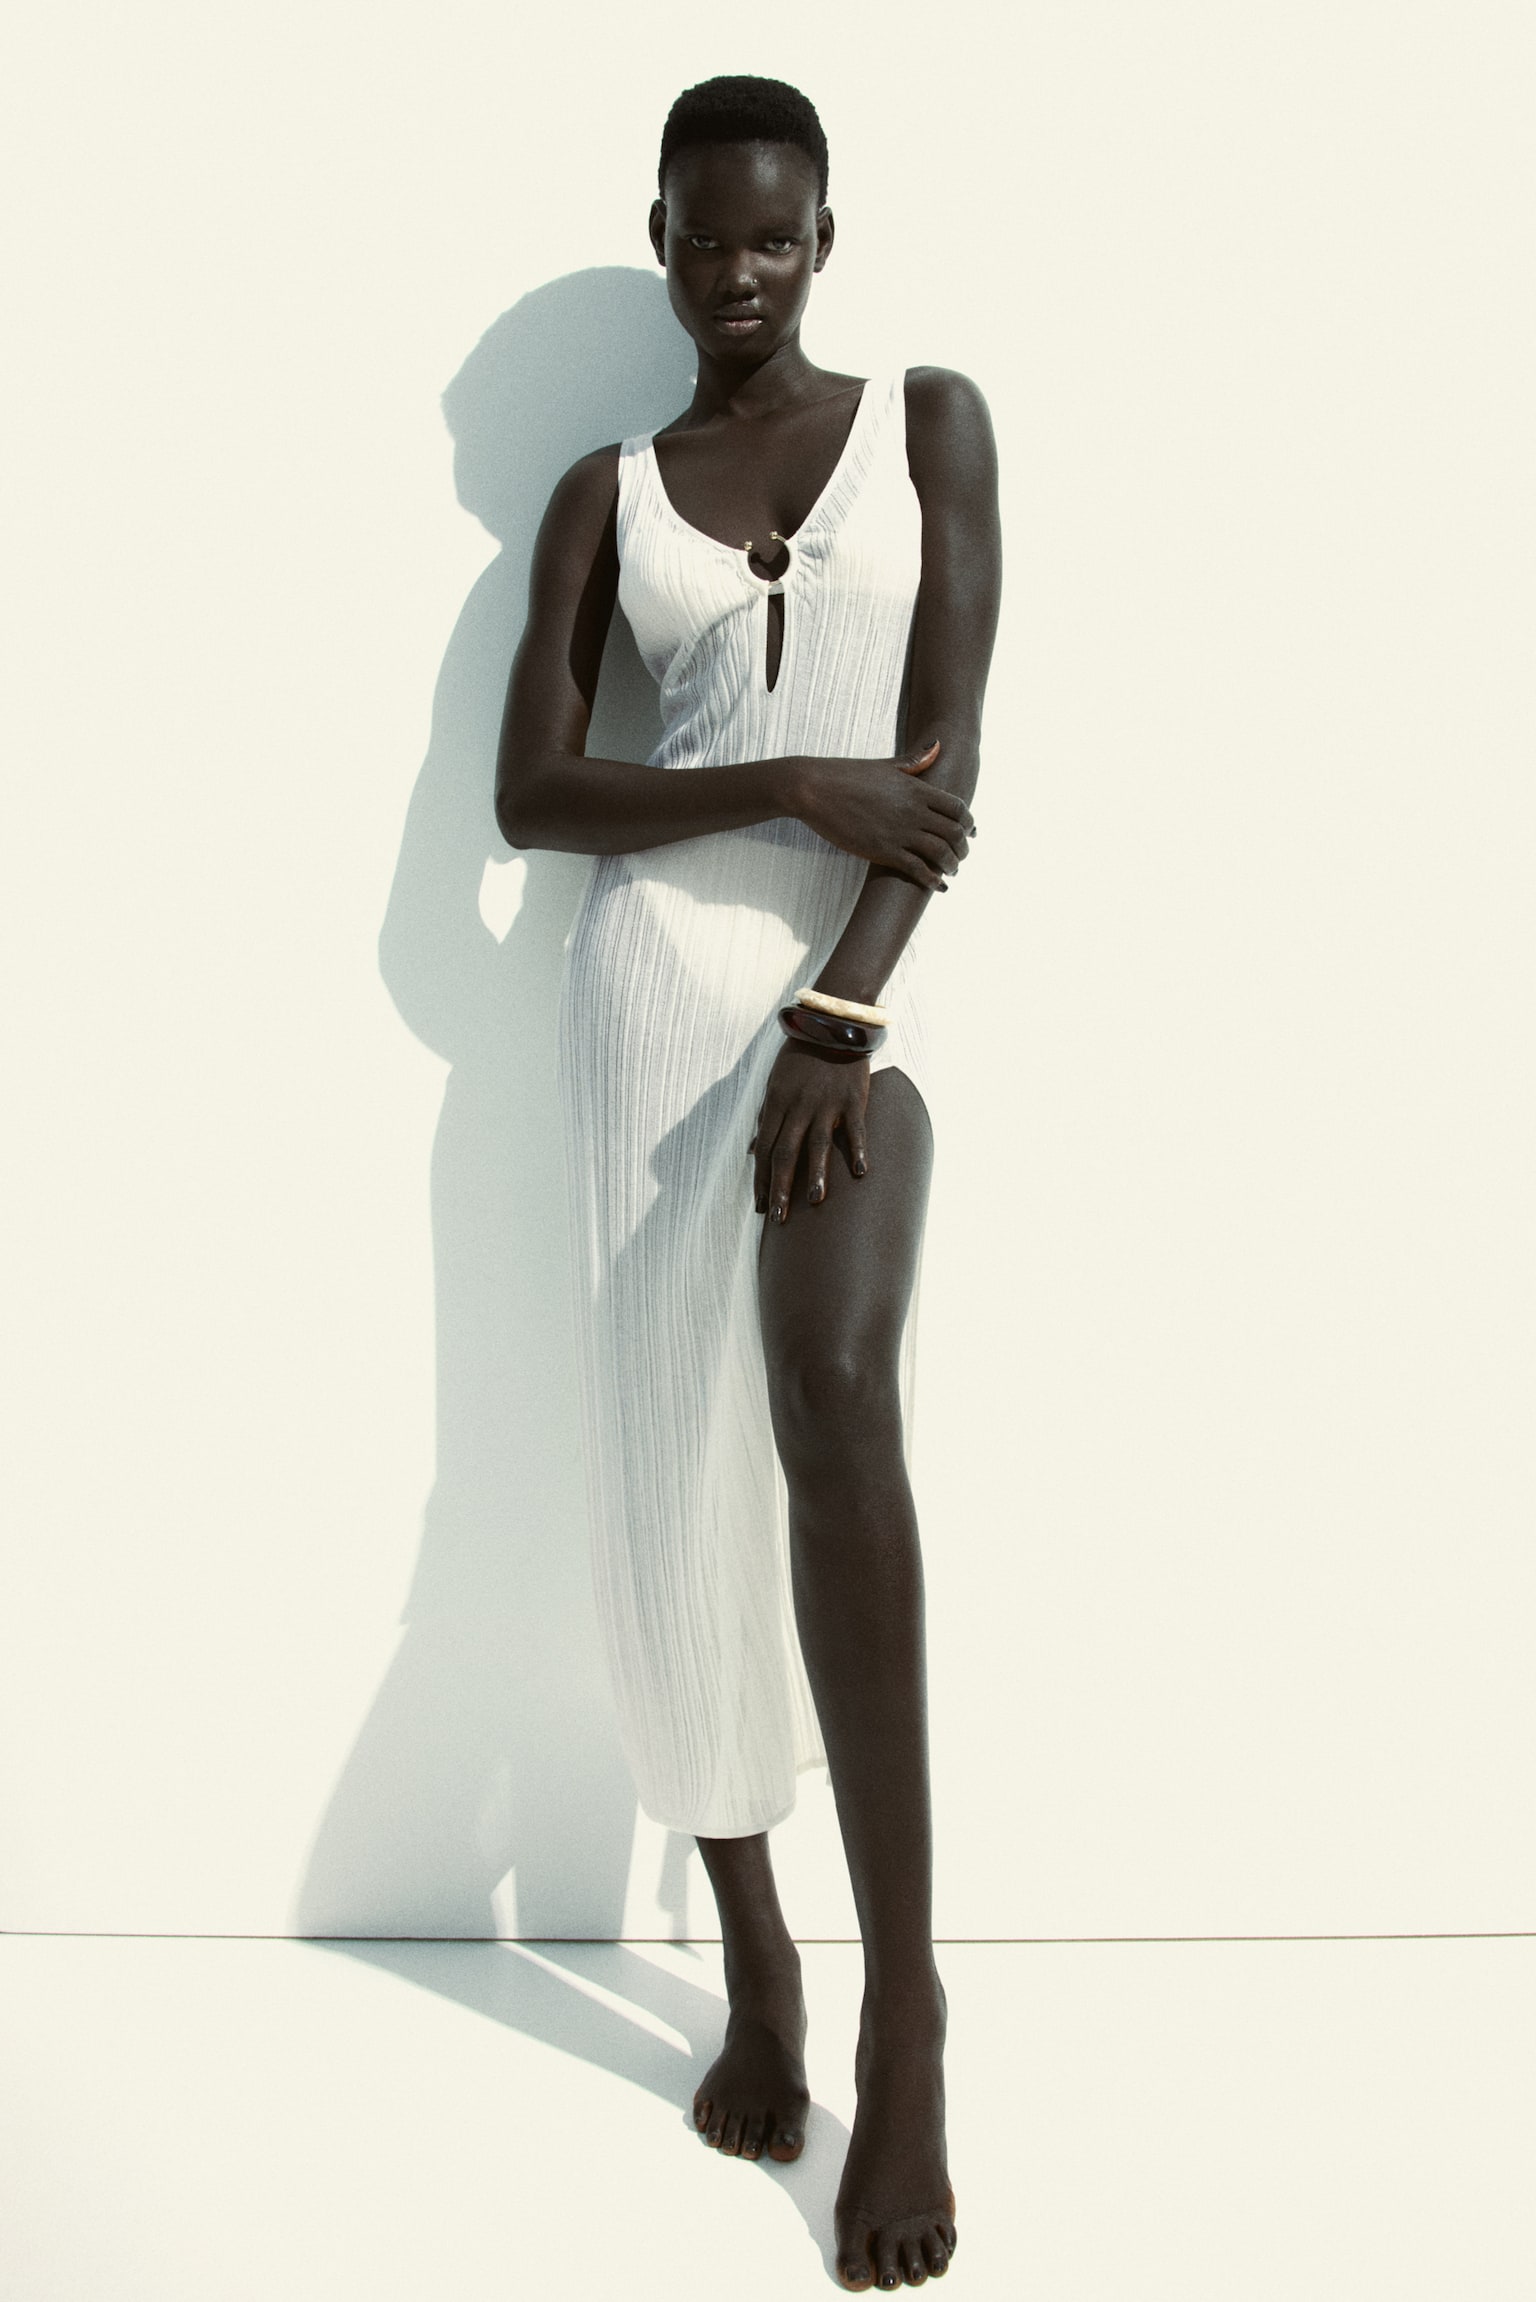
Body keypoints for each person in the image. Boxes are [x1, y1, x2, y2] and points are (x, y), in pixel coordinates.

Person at [495, 73, 1001, 2293]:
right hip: (644, 1008)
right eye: (703, 237)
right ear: (662, 236)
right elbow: (534, 792)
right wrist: (787, 774)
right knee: (667, 1483)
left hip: (843, 1008)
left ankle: (908, 2014)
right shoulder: (608, 491)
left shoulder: (931, 428)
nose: (737, 272)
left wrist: (843, 1007)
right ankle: (761, 1963)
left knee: (831, 1397)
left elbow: (948, 761)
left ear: (825, 236)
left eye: (773, 235)